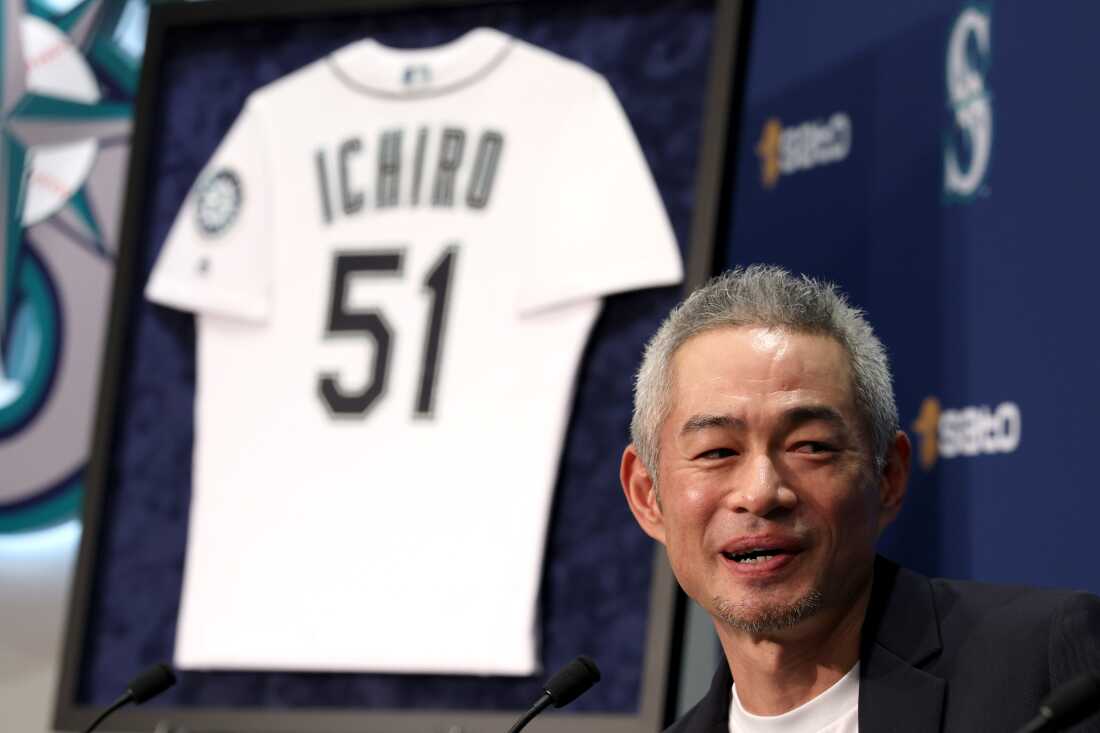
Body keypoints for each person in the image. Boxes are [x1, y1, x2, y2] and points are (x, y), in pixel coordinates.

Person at [620, 265, 1100, 732]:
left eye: (810, 446)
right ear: (647, 496)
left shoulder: (1044, 669)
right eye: (718, 451)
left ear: (888, 475)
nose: (761, 492)